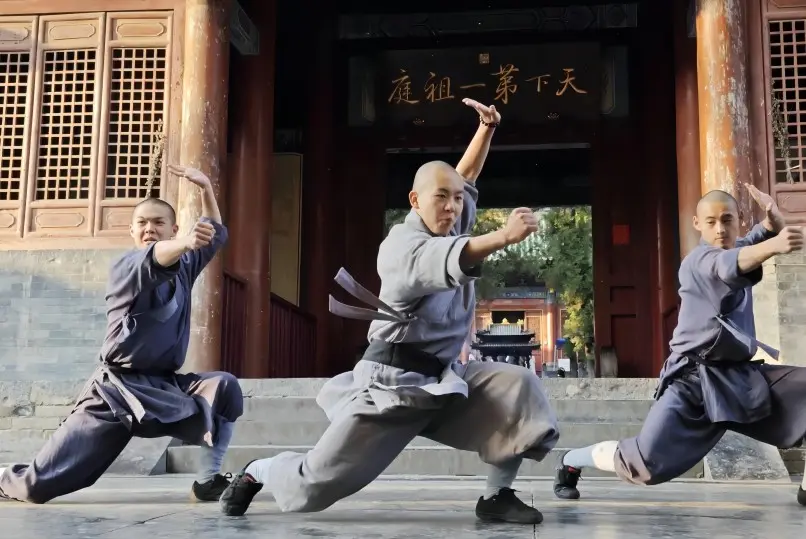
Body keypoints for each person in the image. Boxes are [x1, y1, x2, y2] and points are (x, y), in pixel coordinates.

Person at [219, 99, 560, 524]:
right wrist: (504, 237)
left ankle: (496, 497)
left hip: (444, 379)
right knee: (314, 487)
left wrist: (486, 129)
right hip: (391, 386)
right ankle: (259, 471)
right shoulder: (401, 245)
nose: (452, 207)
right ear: (415, 200)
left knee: (518, 386)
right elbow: (449, 257)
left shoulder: (452, 220)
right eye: (441, 198)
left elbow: (465, 178)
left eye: (456, 200)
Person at [0, 165, 243, 504]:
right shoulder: (126, 267)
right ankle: (4, 479)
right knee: (36, 488)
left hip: (165, 386)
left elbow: (213, 233)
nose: (149, 229)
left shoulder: (184, 266)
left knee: (225, 387)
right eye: (142, 223)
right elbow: (158, 256)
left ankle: (207, 480)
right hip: (114, 394)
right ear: (131, 230)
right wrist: (185, 240)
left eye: (158, 223)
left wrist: (205, 188)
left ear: (172, 227)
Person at [553, 185, 806, 507]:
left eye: (728, 220)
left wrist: (771, 222)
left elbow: (750, 242)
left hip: (741, 376)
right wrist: (773, 245)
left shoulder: (736, 245)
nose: (720, 229)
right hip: (693, 381)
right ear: (697, 224)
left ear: (738, 220)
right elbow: (731, 264)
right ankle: (572, 460)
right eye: (711, 221)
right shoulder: (697, 261)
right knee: (645, 465)